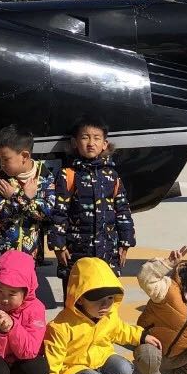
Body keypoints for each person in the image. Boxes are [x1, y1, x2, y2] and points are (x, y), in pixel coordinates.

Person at [35, 257, 160, 374]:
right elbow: (53, 365)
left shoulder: (108, 316)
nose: (106, 305)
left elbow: (121, 330)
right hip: (72, 369)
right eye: (98, 300)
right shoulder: (61, 326)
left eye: (110, 298)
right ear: (79, 298)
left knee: (125, 369)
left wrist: (142, 336)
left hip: (99, 361)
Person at [49, 116, 135, 283]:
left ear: (105, 144)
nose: (91, 143)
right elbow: (58, 212)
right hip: (76, 252)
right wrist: (58, 245)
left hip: (107, 252)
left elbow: (123, 210)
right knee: (76, 294)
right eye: (85, 137)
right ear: (74, 142)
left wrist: (125, 242)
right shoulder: (68, 175)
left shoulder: (112, 176)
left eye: (96, 138)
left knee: (105, 293)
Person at [0, 124, 56, 262]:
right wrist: (24, 197)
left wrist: (14, 197)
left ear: (24, 156)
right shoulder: (1, 180)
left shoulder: (44, 176)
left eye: (6, 159)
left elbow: (47, 212)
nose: (1, 164)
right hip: (2, 254)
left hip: (30, 255)